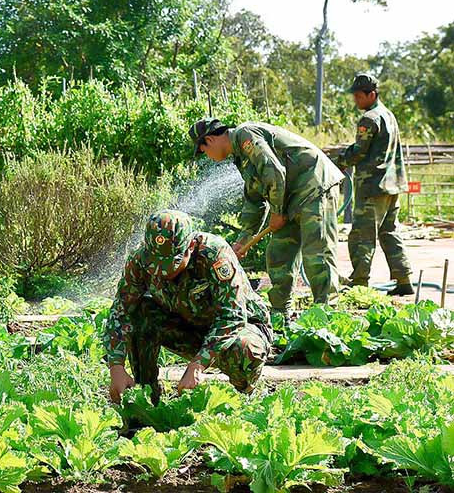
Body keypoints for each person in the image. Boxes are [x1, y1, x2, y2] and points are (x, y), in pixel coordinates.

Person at [105, 210, 273, 405]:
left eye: (171, 264)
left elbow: (232, 316)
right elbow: (121, 311)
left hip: (240, 327)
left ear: (191, 246)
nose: (163, 272)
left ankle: (244, 397)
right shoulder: (139, 260)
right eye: (156, 264)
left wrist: (197, 365)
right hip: (186, 327)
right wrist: (116, 367)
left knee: (246, 349)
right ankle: (146, 399)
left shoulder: (215, 254)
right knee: (141, 313)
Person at [189, 118, 344, 316]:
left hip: (314, 188)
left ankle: (327, 316)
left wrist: (277, 211)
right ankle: (281, 315)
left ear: (209, 140)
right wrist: (243, 240)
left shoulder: (246, 135)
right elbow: (254, 201)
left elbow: (274, 171)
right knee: (278, 255)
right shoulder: (240, 157)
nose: (207, 156)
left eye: (203, 151)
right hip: (290, 199)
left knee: (317, 256)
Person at [336, 74, 413, 296]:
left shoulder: (369, 118)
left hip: (373, 186)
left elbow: (359, 152)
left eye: (359, 96)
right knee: (390, 232)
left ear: (371, 94)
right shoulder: (389, 116)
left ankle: (359, 282)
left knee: (362, 235)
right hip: (393, 185)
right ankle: (403, 279)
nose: (356, 101)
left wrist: (339, 162)